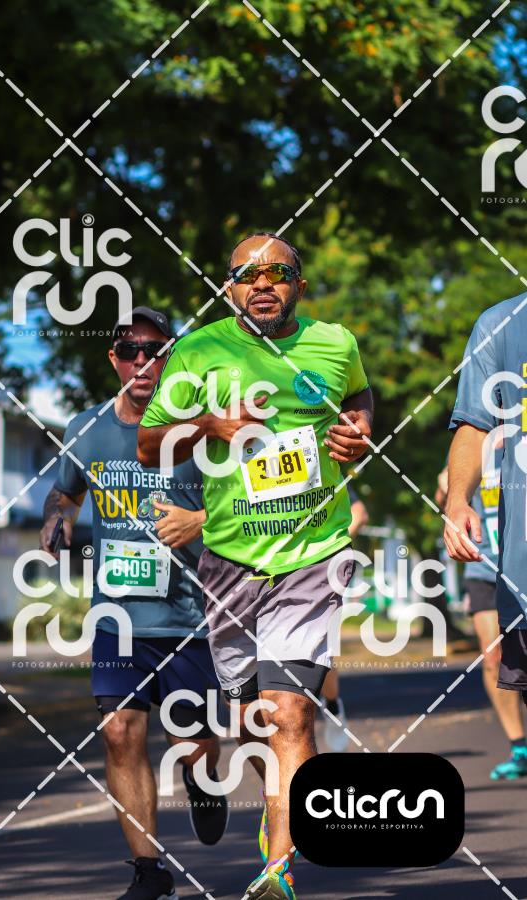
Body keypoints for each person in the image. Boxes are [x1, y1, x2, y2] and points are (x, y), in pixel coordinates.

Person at [138, 233, 372, 900]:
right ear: (228, 287)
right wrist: (209, 426)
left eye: (277, 272)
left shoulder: (335, 343)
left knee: (289, 715)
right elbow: (150, 444)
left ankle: (279, 869)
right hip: (231, 559)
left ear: (300, 284)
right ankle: (278, 809)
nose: (261, 283)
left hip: (313, 553)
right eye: (246, 274)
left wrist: (358, 430)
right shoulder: (197, 350)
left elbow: (360, 398)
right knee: (249, 721)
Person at [40, 307, 228, 900]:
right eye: (130, 351)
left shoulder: (199, 430)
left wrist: (199, 520)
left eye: (156, 350)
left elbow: (249, 503)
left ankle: (204, 779)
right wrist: (56, 520)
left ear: (173, 357)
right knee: (119, 731)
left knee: (190, 741)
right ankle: (150, 873)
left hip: (189, 616)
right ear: (114, 359)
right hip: (117, 617)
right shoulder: (86, 427)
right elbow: (64, 492)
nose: (142, 362)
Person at [444, 292, 527, 777]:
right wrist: (457, 501)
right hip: (508, 564)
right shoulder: (500, 325)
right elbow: (472, 427)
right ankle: (519, 746)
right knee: (492, 658)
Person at [437, 458, 526, 779]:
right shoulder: (472, 443)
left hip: (520, 561)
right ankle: (519, 747)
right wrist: (448, 487)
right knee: (492, 658)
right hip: (483, 565)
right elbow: (444, 495)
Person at [321, 483, 369, 753]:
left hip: (317, 573)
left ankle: (332, 705)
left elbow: (359, 513)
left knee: (321, 648)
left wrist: (327, 548)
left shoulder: (320, 467)